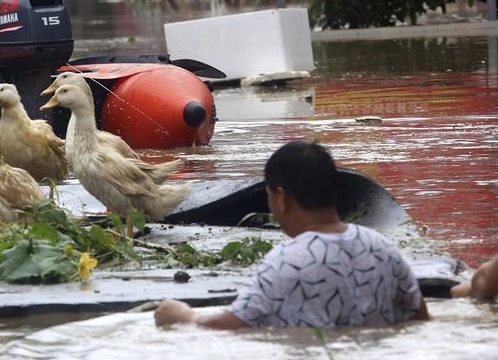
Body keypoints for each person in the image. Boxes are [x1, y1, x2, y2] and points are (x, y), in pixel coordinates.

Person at [155, 140, 429, 330]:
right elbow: (419, 318)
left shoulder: (286, 263)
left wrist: (184, 316)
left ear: (281, 198)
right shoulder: (383, 248)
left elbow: (230, 326)